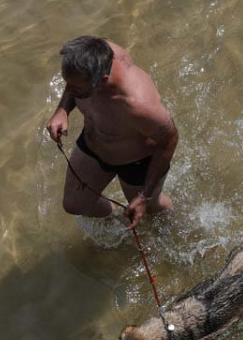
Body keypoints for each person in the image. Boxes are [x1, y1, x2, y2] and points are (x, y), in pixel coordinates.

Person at [46, 36, 177, 230]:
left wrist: (143, 196)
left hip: (137, 162)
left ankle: (173, 225)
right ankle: (117, 216)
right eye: (68, 83)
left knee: (151, 209)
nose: (70, 90)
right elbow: (73, 80)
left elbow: (169, 140)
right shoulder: (92, 57)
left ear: (102, 80)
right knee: (75, 204)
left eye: (76, 87)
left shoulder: (137, 104)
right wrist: (62, 110)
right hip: (94, 144)